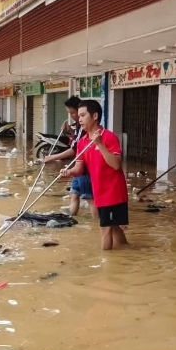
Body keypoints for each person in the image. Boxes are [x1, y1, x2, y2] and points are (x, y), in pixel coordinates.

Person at [63, 100, 129, 250]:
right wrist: (68, 171)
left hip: (113, 192)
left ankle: (106, 267)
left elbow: (116, 164)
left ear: (95, 116)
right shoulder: (82, 142)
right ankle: (128, 251)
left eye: (83, 115)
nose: (79, 119)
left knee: (105, 229)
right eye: (78, 116)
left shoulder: (109, 137)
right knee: (114, 226)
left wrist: (99, 144)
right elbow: (79, 169)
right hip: (98, 192)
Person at [43, 96, 95, 218]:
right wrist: (69, 132)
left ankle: (97, 226)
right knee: (74, 194)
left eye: (73, 112)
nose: (72, 116)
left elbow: (74, 149)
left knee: (90, 199)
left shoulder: (84, 128)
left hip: (85, 169)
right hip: (78, 166)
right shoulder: (78, 126)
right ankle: (71, 218)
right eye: (70, 113)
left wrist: (53, 157)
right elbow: (76, 142)